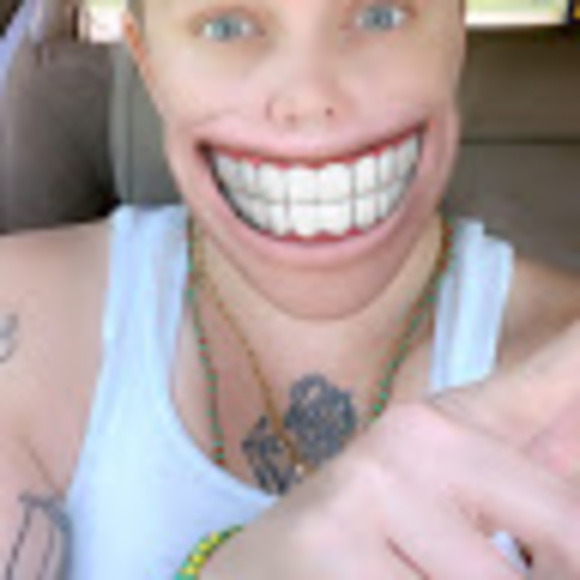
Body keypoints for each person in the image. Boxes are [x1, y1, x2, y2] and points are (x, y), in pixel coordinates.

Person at [0, 0, 580, 578]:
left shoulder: (564, 375)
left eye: (380, 15)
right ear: (150, 66)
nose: (310, 99)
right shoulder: (21, 322)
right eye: (226, 27)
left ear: (454, 36)